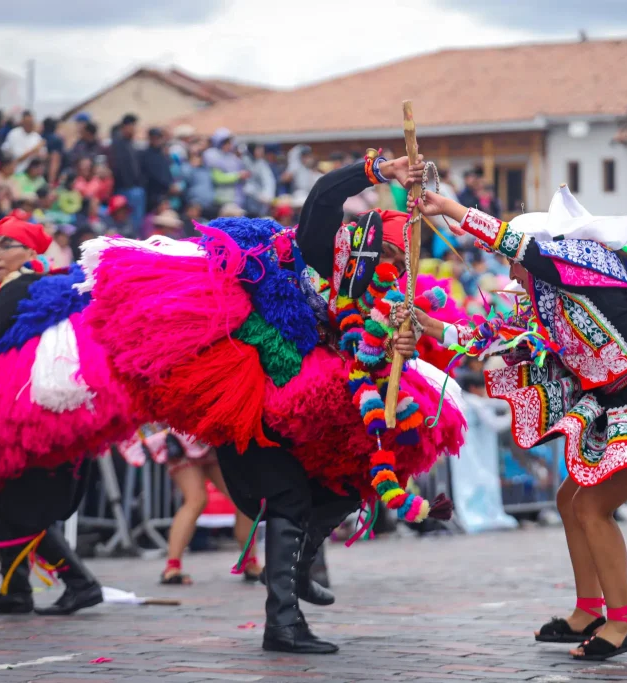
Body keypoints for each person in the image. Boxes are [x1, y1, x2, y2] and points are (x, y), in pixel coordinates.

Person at [79, 151, 464, 655]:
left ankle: (298, 574)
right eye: (388, 257)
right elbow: (323, 196)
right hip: (259, 400)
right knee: (288, 499)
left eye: (400, 264)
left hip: (306, 414)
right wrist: (380, 171)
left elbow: (366, 355)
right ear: (367, 247)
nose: (392, 270)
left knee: (349, 485)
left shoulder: (380, 300)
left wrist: (398, 347)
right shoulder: (322, 257)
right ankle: (282, 622)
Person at [413, 185, 627, 661]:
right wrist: (427, 325)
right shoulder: (549, 297)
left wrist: (451, 208)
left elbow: (518, 246)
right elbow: (495, 340)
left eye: (515, 262)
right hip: (616, 399)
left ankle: (623, 621)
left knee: (593, 506)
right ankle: (589, 610)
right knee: (569, 499)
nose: (511, 273)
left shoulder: (578, 261)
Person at [0, 215, 135, 615]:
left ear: (30, 252)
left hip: (32, 421)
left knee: (20, 507)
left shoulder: (23, 287)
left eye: (6, 245)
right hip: (22, 416)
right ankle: (15, 590)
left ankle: (80, 583)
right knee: (2, 503)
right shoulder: (20, 290)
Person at [120, 428, 262, 584]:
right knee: (196, 499)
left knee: (245, 498)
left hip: (212, 439)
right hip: (182, 437)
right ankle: (172, 567)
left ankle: (250, 562)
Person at [108, 114, 145, 230]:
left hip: (135, 188)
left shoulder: (131, 143)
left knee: (136, 224)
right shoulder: (118, 143)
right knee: (126, 223)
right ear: (125, 127)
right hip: (124, 189)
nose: (133, 129)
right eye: (131, 126)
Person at [203, 129, 249, 209]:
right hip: (223, 199)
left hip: (237, 198)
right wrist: (238, 175)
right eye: (225, 142)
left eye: (229, 142)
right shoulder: (212, 155)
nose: (229, 145)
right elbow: (218, 178)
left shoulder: (233, 157)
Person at [139, 128, 174, 212]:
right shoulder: (146, 154)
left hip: (164, 193)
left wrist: (170, 184)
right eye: (153, 138)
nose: (156, 141)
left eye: (158, 138)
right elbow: (153, 173)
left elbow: (166, 171)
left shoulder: (162, 154)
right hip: (152, 193)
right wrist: (168, 185)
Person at [42, 118, 65, 186]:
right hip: (49, 174)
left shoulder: (39, 136)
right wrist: (51, 181)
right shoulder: (57, 140)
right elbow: (55, 160)